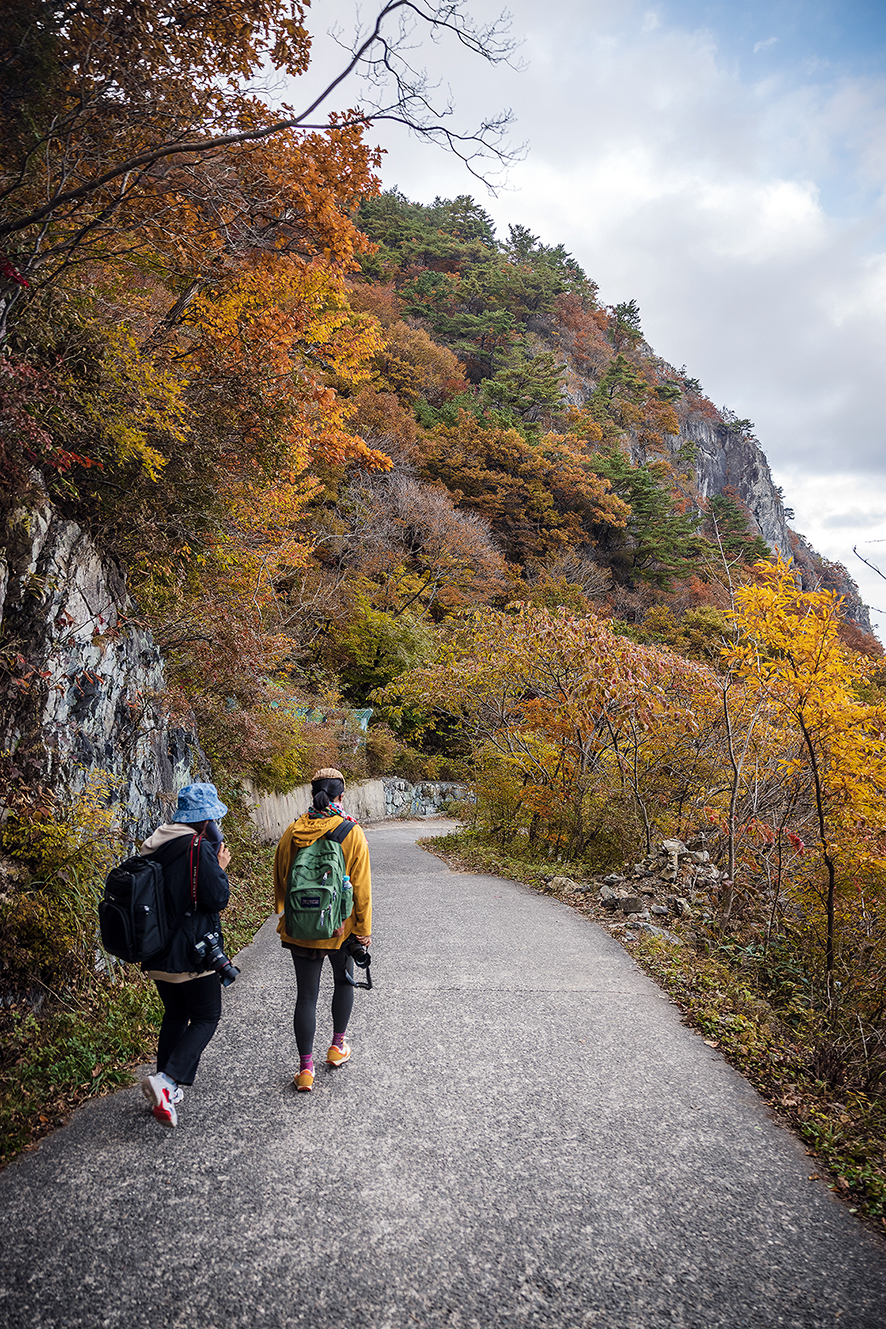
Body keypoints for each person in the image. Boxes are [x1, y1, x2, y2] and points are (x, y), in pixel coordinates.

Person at [139, 782, 232, 1127]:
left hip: (157, 952)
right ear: (206, 821)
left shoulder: (155, 845)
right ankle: (168, 1081)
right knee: (207, 1018)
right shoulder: (199, 848)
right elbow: (216, 899)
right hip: (192, 953)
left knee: (176, 1015)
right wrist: (219, 866)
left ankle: (167, 1088)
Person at [273, 768, 372, 1092]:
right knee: (344, 982)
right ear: (341, 796)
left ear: (312, 793)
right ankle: (337, 1047)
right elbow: (361, 887)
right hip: (339, 928)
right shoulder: (351, 832)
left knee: (306, 996)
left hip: (301, 927)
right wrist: (363, 929)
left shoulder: (293, 831)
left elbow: (282, 878)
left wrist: (287, 914)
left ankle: (305, 1070)